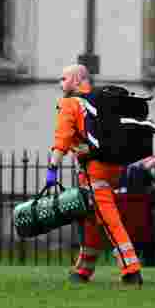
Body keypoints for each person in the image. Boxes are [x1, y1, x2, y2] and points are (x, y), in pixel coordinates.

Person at [48, 64, 143, 287]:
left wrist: (52, 169)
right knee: (91, 216)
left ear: (78, 79)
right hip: (114, 167)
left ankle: (131, 270)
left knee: (109, 219)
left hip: (93, 169)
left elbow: (62, 140)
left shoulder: (70, 104)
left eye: (64, 78)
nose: (60, 83)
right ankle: (83, 269)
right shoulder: (100, 101)